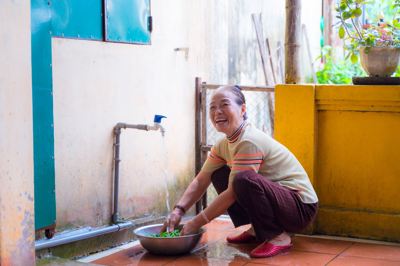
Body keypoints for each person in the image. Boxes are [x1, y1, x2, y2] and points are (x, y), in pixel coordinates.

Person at [161, 85, 318, 258]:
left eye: (224, 105)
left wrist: (195, 223)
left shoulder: (248, 141)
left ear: (242, 109)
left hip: (300, 208)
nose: (217, 112)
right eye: (212, 107)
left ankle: (278, 237)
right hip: (282, 202)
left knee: (243, 180)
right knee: (219, 173)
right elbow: (201, 180)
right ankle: (257, 229)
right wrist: (178, 211)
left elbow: (232, 193)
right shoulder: (222, 145)